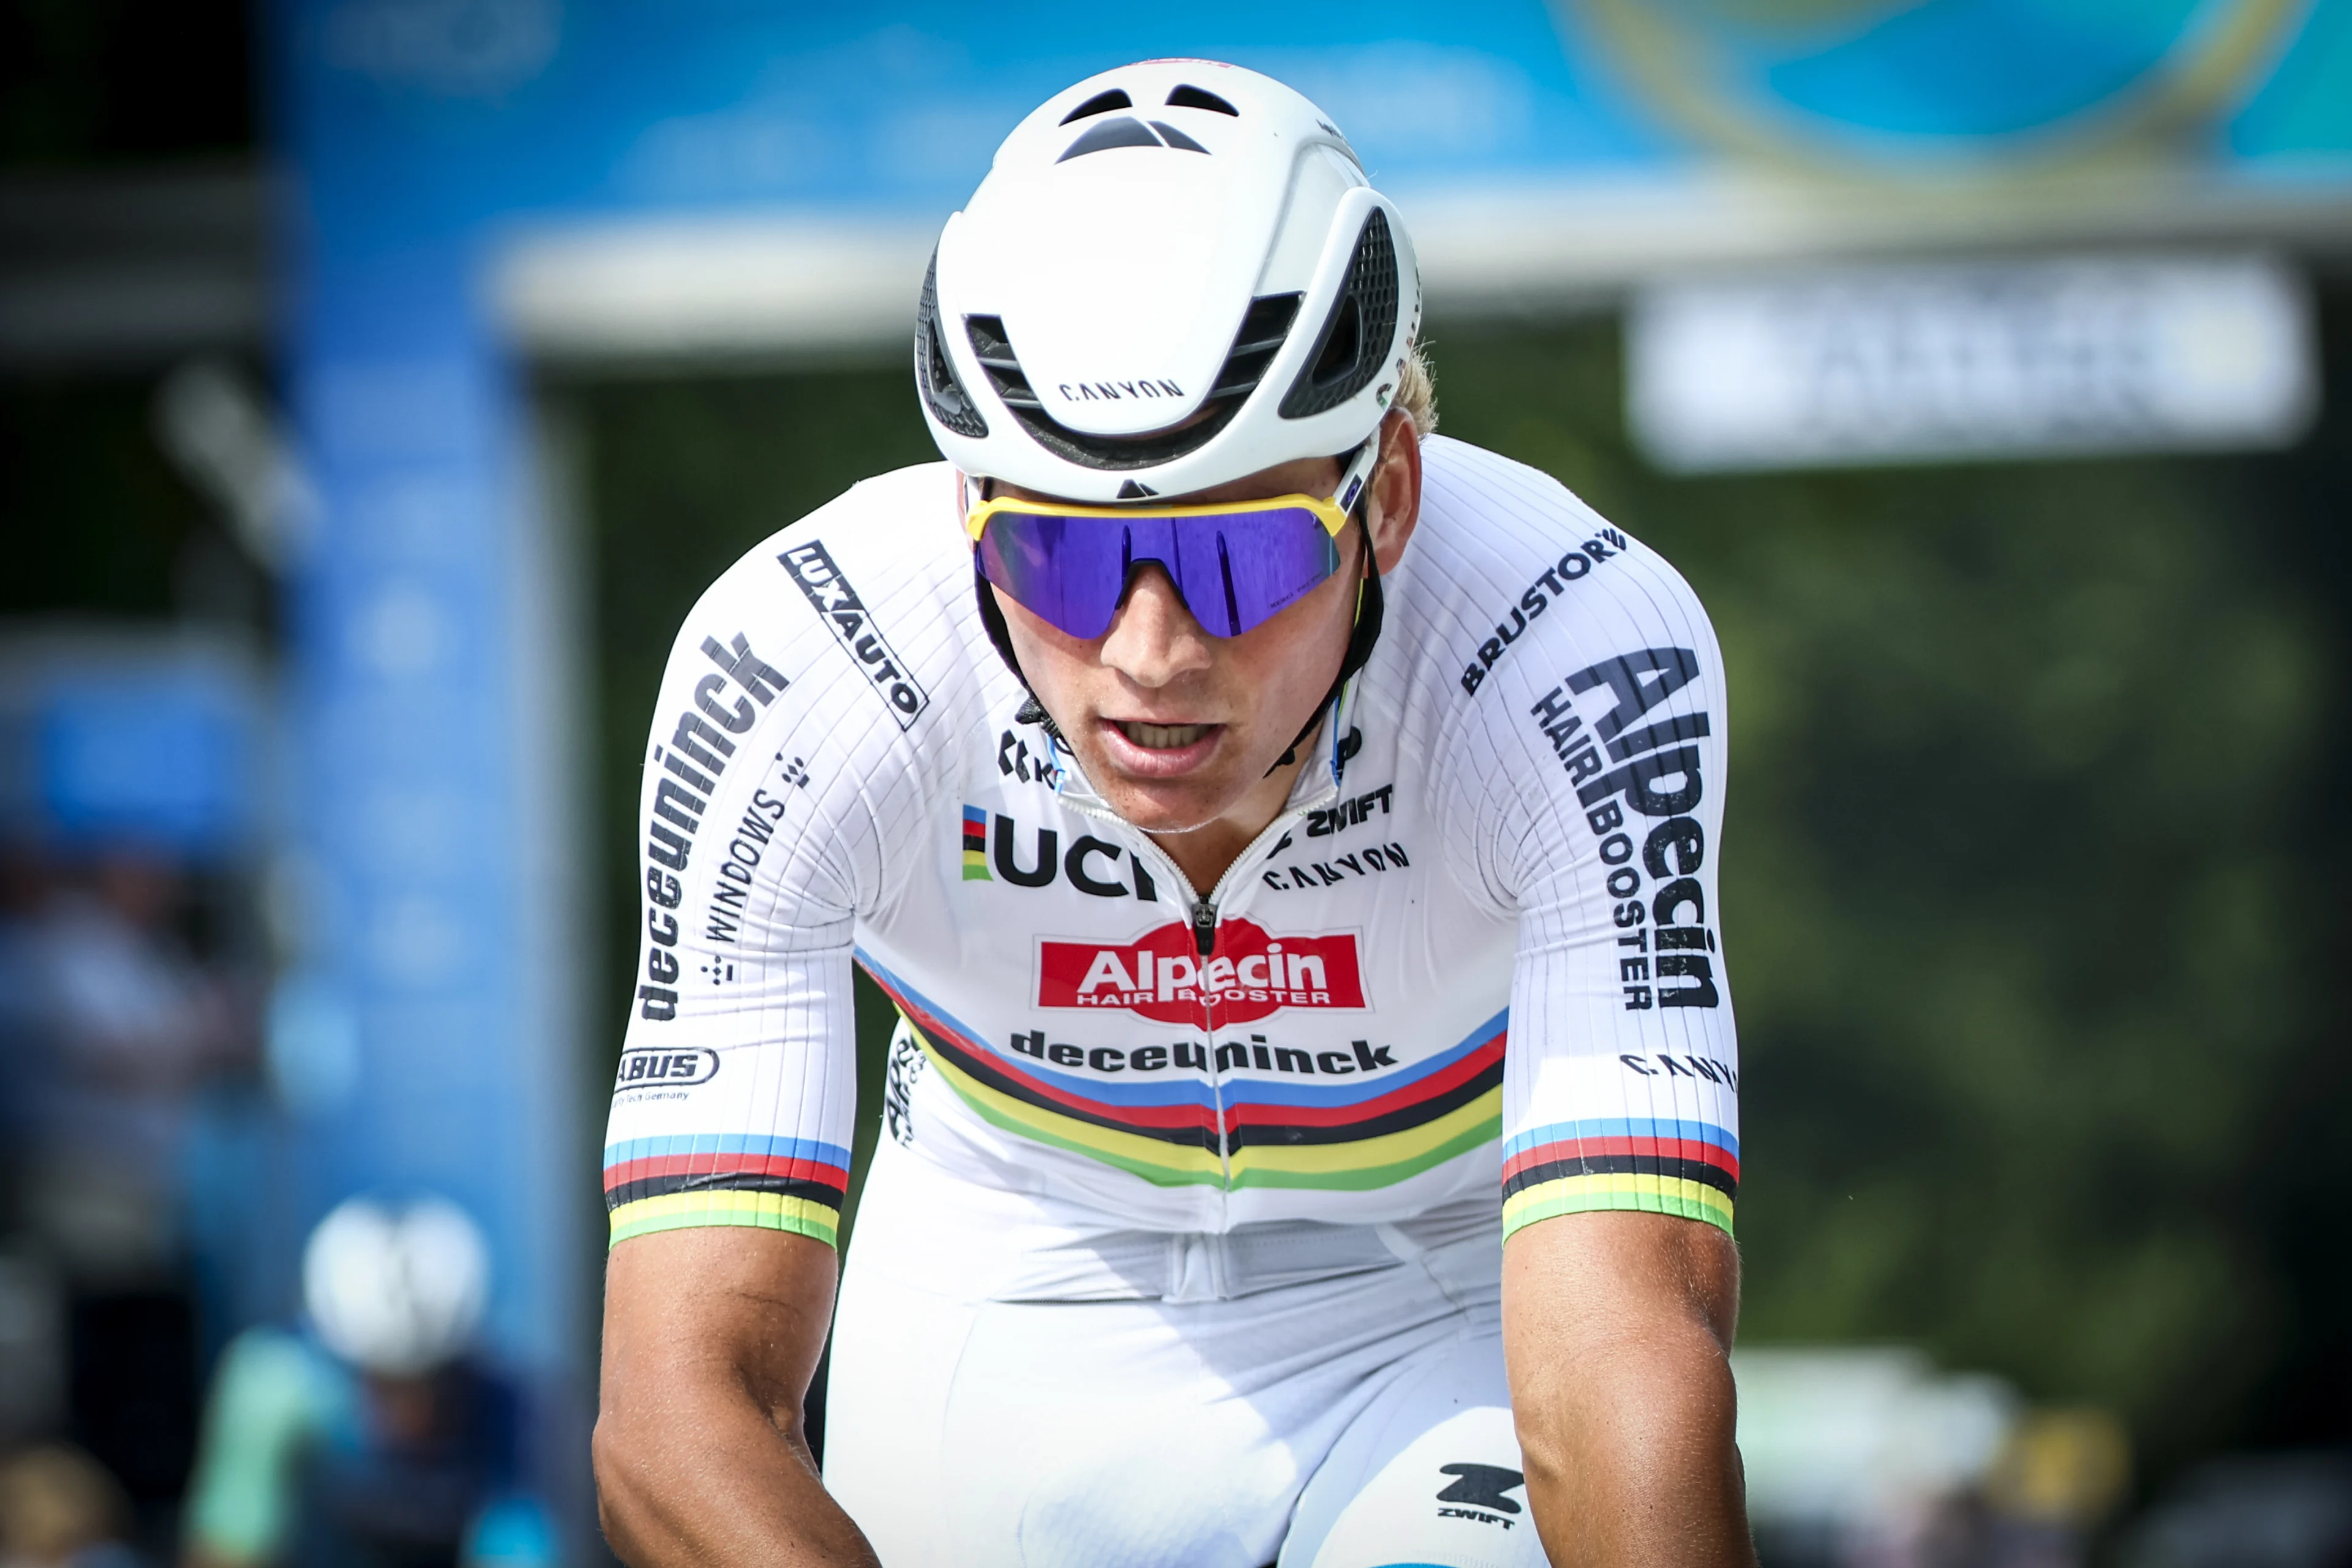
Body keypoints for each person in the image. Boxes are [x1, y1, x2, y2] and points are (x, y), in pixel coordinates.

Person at [595, 59, 1748, 1568]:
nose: (1150, 654)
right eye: (1062, 562)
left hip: (1447, 1285)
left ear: (1385, 493)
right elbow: (673, 1410)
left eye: (1236, 557)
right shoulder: (811, 669)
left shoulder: (1562, 649)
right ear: (966, 515)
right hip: (1011, 1280)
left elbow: (1620, 1360)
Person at [180, 1197, 553, 1568]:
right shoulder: (273, 1390)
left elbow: (517, 1550)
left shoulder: (504, 1409)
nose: (413, 1408)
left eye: (431, 1379)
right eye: (386, 1381)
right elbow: (226, 1549)